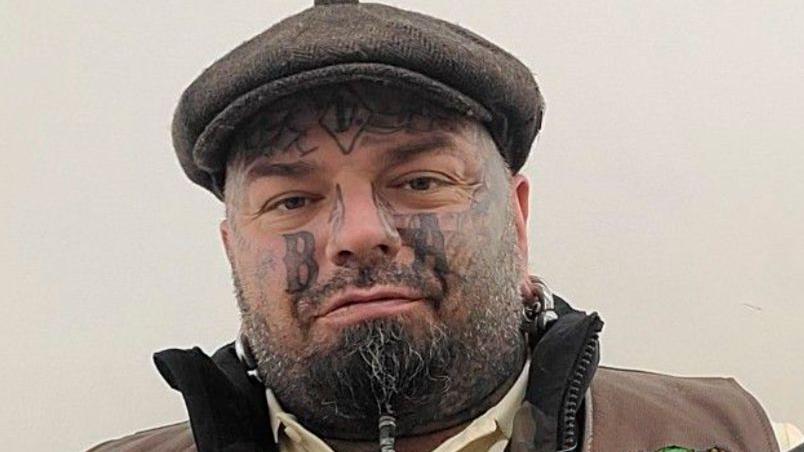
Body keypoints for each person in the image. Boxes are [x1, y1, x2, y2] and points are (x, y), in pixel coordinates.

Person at [90, 1, 802, 451]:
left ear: (517, 219)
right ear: (231, 250)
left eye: (420, 182)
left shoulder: (738, 437)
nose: (358, 233)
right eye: (292, 200)